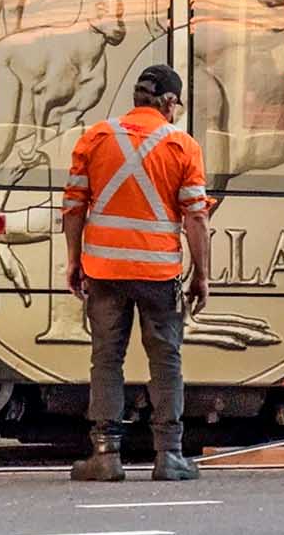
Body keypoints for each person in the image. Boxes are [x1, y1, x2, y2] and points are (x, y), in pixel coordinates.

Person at [61, 64, 212, 482]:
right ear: (167, 101)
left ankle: (105, 456)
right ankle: (170, 457)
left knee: (107, 360)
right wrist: (202, 275)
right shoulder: (182, 146)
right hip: (158, 274)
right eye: (176, 102)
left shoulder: (95, 137)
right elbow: (196, 219)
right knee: (166, 361)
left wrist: (74, 261)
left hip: (104, 271)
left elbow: (73, 206)